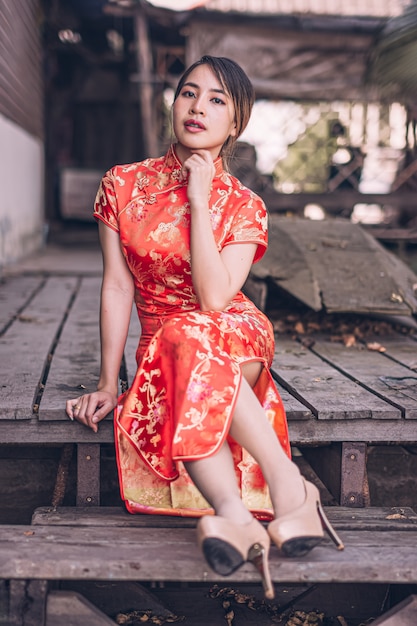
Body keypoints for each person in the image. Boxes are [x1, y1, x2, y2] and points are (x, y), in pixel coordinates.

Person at [66, 55, 343, 599]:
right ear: (173, 103)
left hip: (235, 333)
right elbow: (118, 287)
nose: (198, 107)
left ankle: (286, 489)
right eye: (189, 93)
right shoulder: (122, 185)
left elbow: (216, 299)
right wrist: (106, 382)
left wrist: (198, 197)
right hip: (166, 347)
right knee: (179, 341)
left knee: (192, 332)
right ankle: (240, 514)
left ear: (236, 122)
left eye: (217, 99)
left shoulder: (244, 205)